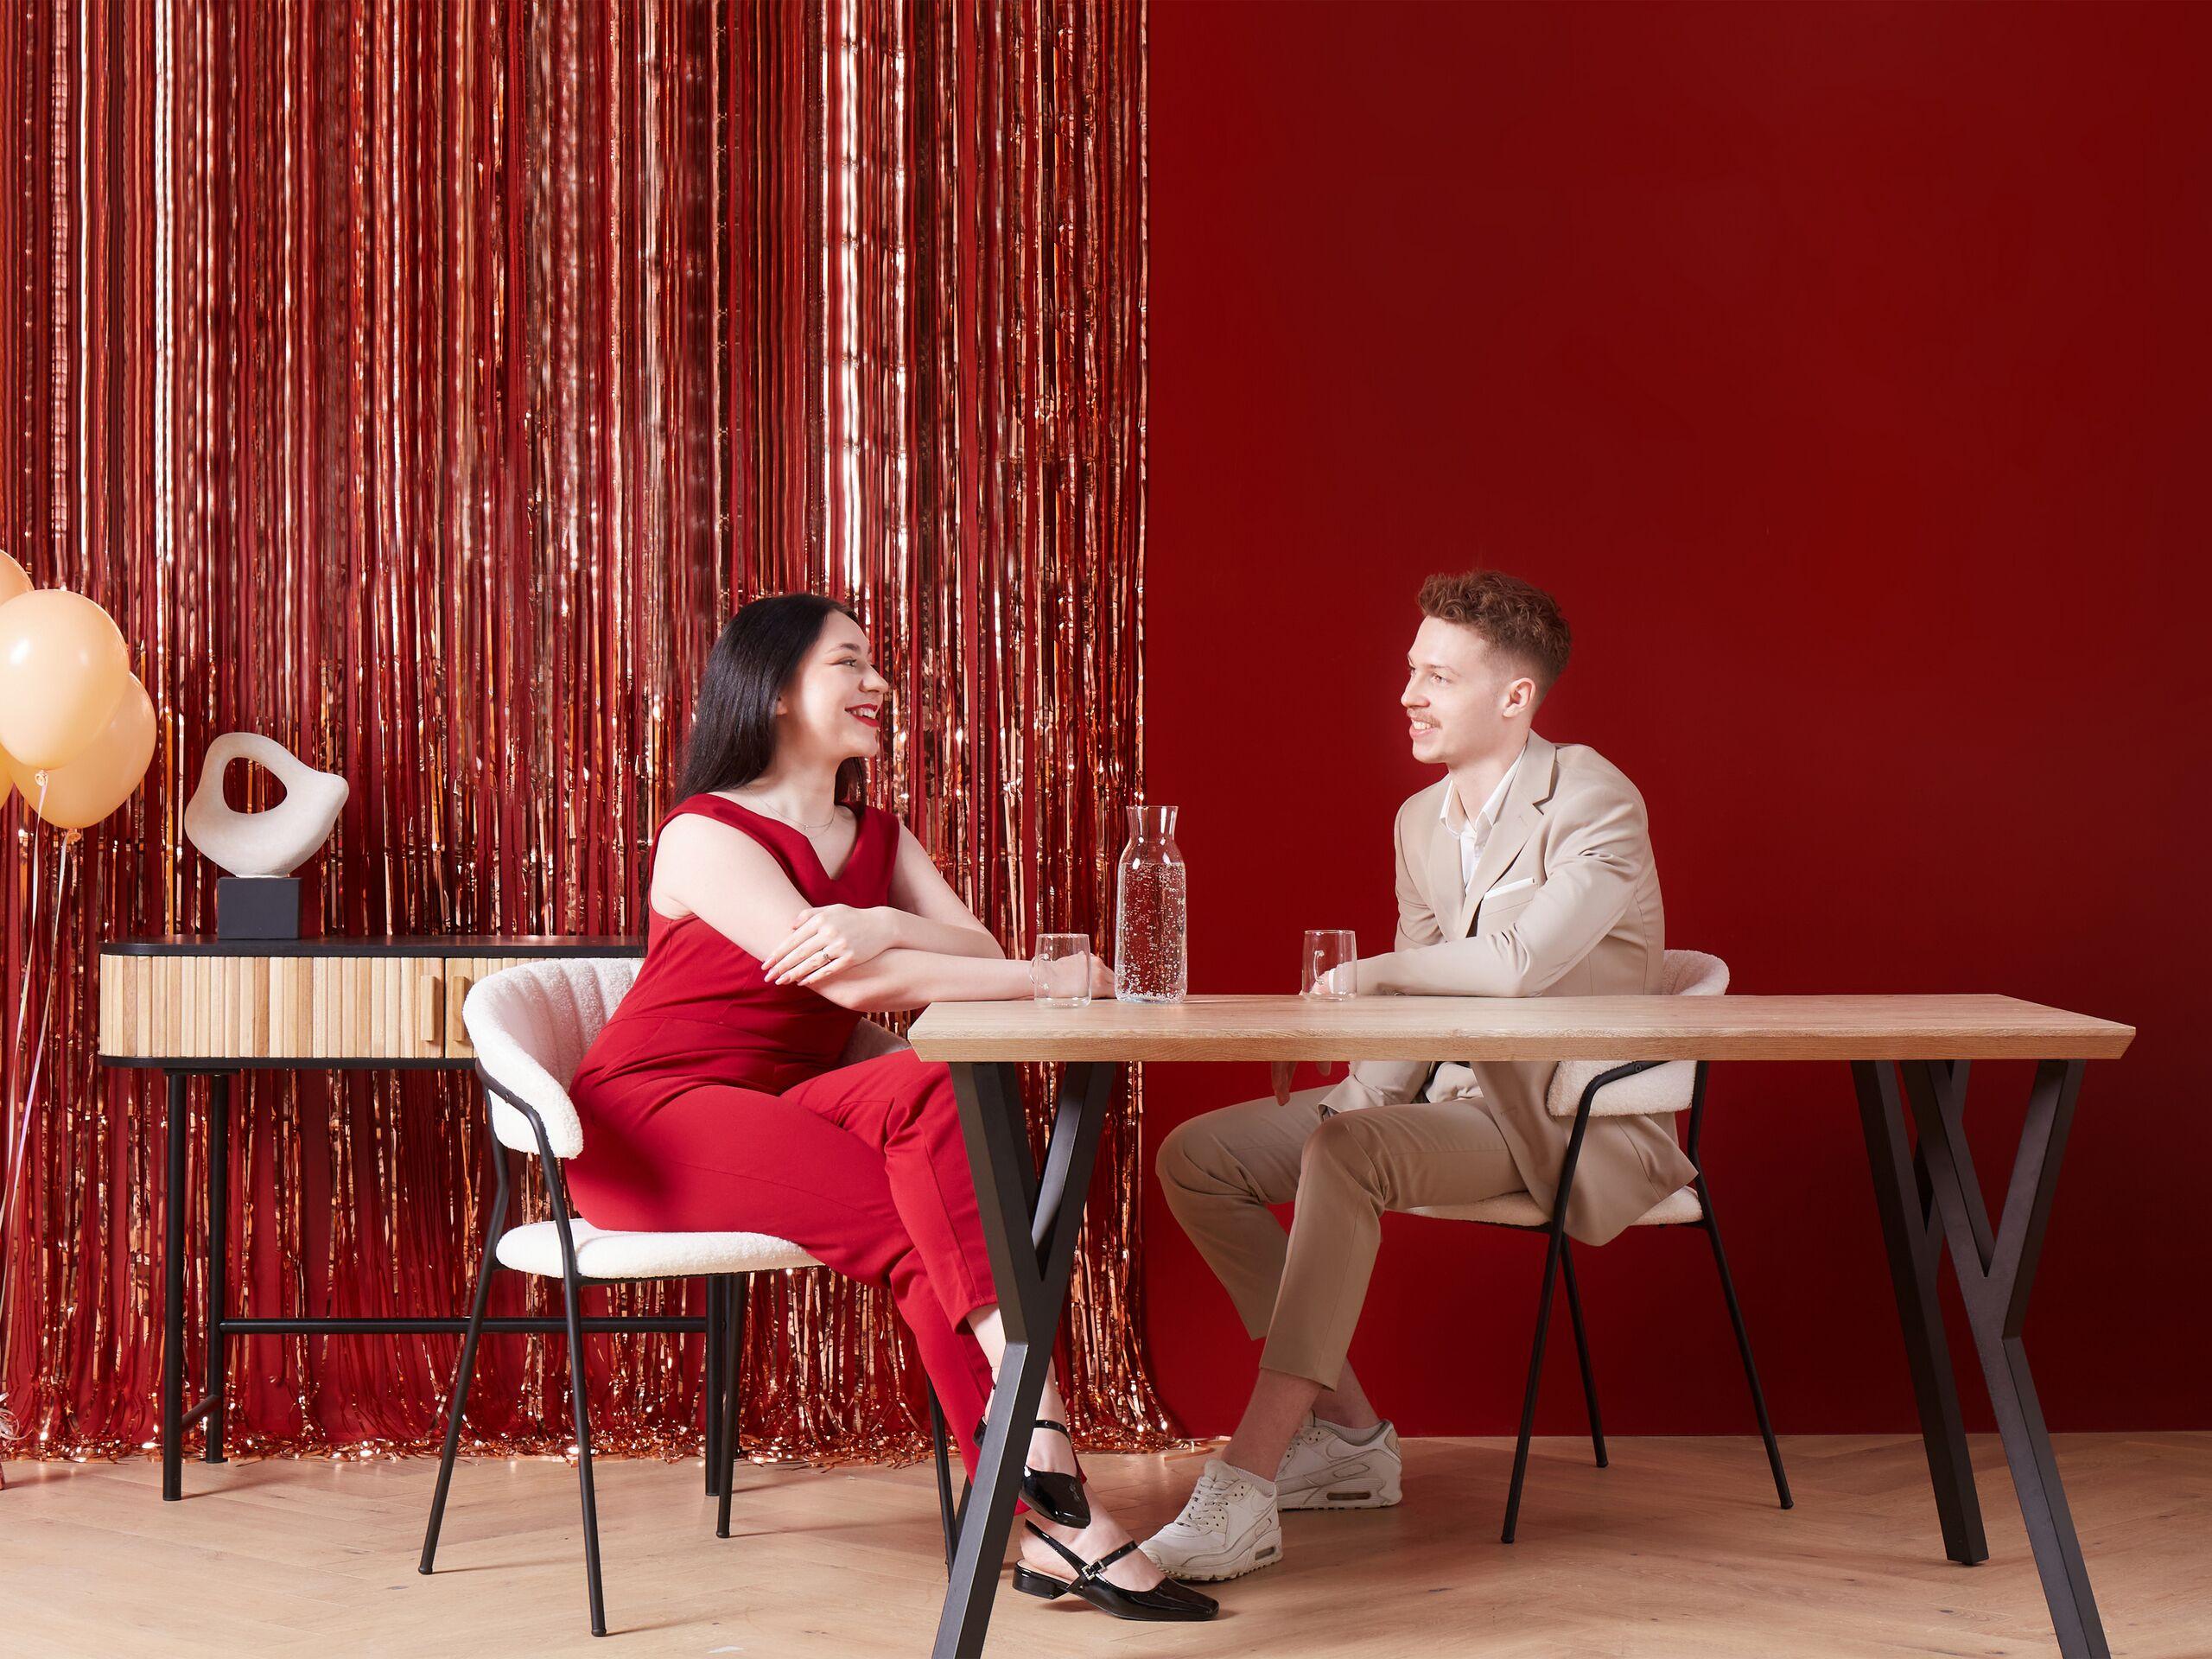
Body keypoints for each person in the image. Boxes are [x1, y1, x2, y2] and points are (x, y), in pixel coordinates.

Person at [568, 593, 1214, 1623]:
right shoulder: (703, 833)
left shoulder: (878, 837)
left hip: (787, 1102)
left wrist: (872, 918)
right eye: (848, 664)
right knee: (922, 1227)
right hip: (650, 1120)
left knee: (928, 1087)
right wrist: (1068, 975)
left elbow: (979, 955)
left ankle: (1038, 1483)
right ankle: (1053, 1500)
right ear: (776, 690)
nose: (878, 685)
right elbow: (860, 991)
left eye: (876, 666)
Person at [1142, 569, 1696, 1584]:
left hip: (1570, 1118)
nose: (1409, 694)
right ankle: (1349, 1439)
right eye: (1412, 670)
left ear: (1515, 698)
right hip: (1453, 1104)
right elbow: (1407, 1017)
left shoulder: (1594, 798)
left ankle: (1248, 1481)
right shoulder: (1419, 823)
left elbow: (1522, 964)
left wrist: (1365, 977)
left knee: (1345, 1153)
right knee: (1201, 1156)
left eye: (1438, 676)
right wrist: (1355, 1082)